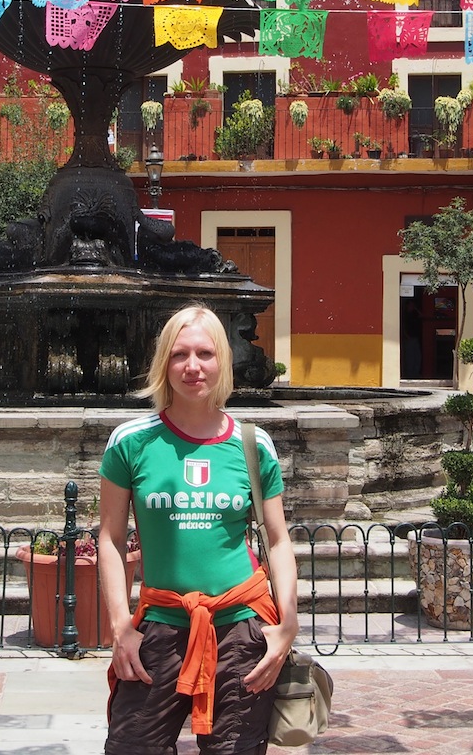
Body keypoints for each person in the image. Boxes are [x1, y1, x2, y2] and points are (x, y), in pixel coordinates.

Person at [98, 305, 299, 755]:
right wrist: (119, 627)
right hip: (160, 627)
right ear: (163, 363)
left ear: (222, 361)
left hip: (241, 628)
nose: (192, 366)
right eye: (179, 354)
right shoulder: (131, 442)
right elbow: (110, 539)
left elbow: (278, 539)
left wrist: (287, 624)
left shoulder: (252, 443)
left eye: (205, 353)